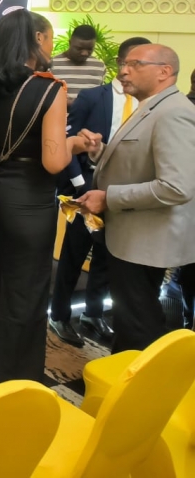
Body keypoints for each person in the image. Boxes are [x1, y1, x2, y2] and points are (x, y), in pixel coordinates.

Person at [0, 10, 98, 386]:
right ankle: (13, 381)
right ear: (37, 39)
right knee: (26, 291)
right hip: (28, 198)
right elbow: (54, 161)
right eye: (50, 38)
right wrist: (77, 142)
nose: (51, 46)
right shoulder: (50, 88)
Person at [77, 44, 195, 353]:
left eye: (135, 64)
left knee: (138, 326)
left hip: (144, 241)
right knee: (130, 321)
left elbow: (176, 187)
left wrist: (109, 198)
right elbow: (139, 163)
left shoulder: (173, 113)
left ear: (164, 72)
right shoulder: (152, 106)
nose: (123, 71)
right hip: (131, 237)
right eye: (123, 64)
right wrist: (100, 153)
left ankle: (139, 381)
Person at [48, 37, 151, 348]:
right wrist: (80, 185)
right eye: (134, 62)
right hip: (86, 188)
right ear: (121, 63)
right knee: (74, 254)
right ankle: (59, 315)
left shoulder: (149, 105)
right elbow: (68, 142)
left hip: (125, 192)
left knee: (107, 256)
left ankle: (93, 313)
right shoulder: (93, 97)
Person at [49, 24, 106, 103]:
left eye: (90, 49)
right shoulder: (52, 64)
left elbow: (100, 97)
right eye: (79, 48)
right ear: (70, 43)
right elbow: (46, 97)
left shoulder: (99, 67)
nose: (85, 53)